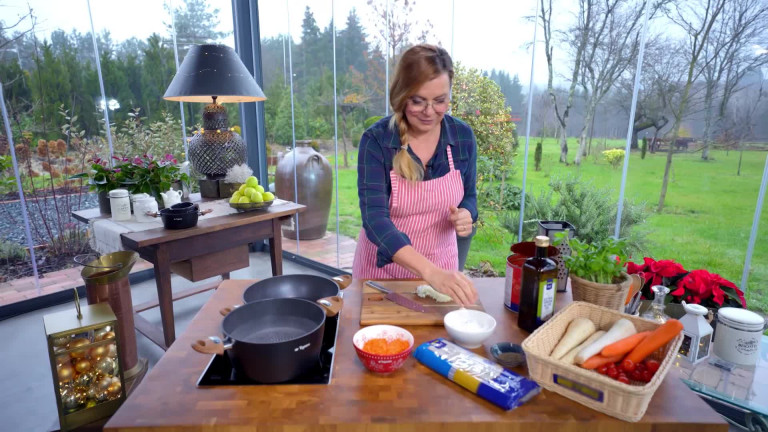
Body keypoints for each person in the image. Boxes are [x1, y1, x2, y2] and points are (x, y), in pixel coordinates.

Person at [352, 44, 479, 306]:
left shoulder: (462, 137)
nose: (429, 111)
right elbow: (374, 219)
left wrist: (467, 213)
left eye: (440, 101)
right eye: (418, 100)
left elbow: (470, 197)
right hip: (381, 278)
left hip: (443, 275)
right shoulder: (377, 141)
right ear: (402, 95)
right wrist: (429, 272)